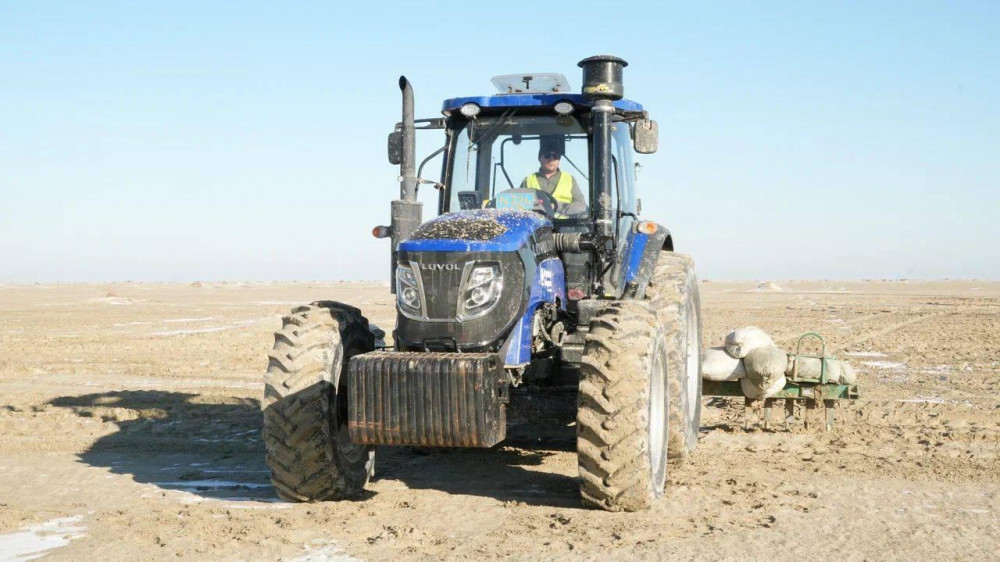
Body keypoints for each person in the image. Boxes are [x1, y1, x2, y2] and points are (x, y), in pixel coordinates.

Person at [520, 141, 587, 218]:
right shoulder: (528, 181)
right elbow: (517, 205)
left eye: (555, 156)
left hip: (564, 227)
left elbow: (581, 206)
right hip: (536, 227)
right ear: (539, 158)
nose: (551, 159)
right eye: (547, 156)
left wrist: (558, 206)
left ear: (559, 159)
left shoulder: (570, 179)